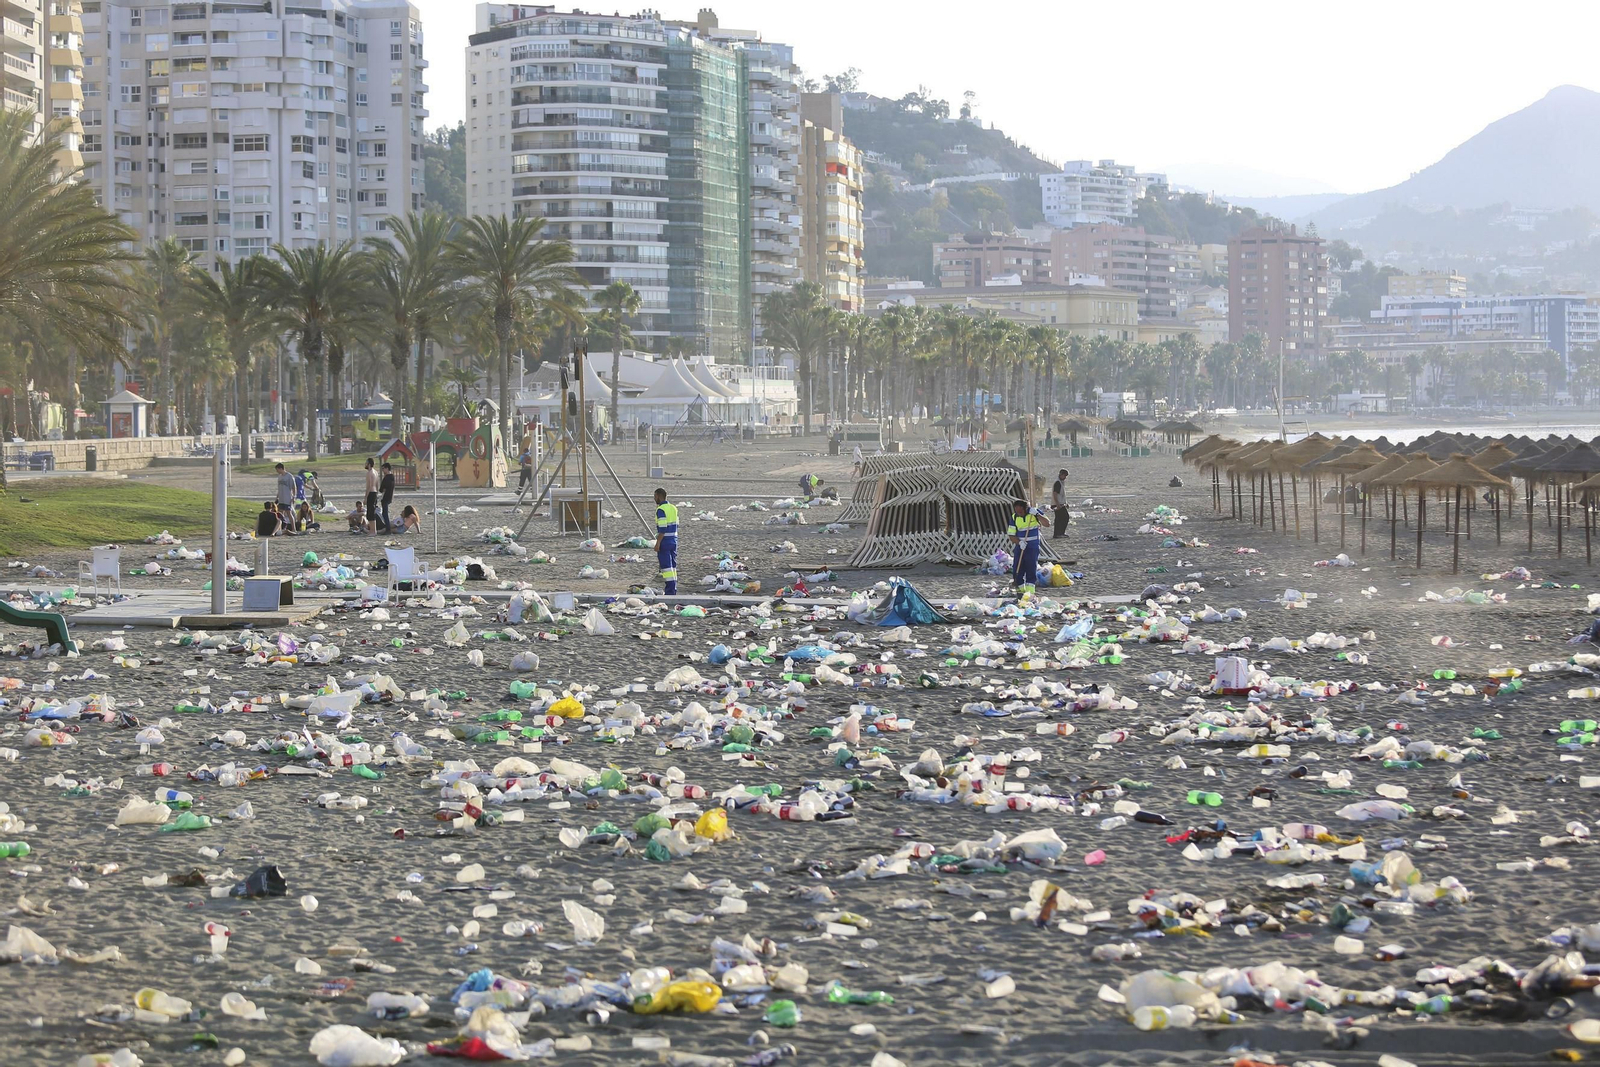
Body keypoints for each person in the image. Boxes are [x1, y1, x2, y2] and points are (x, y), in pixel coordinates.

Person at [1007, 498, 1043, 597]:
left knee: (1031, 568)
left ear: (1025, 509)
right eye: (1017, 511)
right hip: (1021, 546)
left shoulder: (1033, 514)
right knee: (1017, 569)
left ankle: (1030, 593)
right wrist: (1020, 542)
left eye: (1021, 511)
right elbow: (1011, 535)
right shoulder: (1014, 517)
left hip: (1032, 546)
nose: (1019, 513)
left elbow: (1047, 523)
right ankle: (1020, 591)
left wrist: (1037, 514)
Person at [653, 486, 678, 596]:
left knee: (666, 568)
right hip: (673, 540)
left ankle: (670, 592)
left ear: (658, 496)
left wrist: (658, 543)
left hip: (665, 541)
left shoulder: (661, 510)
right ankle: (673, 590)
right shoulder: (673, 508)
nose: (654, 499)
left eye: (655, 496)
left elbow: (662, 528)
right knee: (672, 566)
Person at [1051, 467, 1071, 540]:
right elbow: (1055, 494)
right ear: (1061, 474)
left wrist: (1066, 503)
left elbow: (1062, 495)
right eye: (1064, 476)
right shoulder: (1058, 483)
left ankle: (1058, 534)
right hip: (1058, 504)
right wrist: (1057, 504)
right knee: (1064, 517)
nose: (1065, 477)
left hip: (1060, 504)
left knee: (1060, 518)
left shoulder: (1060, 482)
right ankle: (1059, 533)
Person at [363, 457, 379, 534]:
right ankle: (373, 530)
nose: (365, 464)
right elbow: (377, 484)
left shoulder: (369, 473)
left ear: (369, 464)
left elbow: (369, 486)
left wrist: (365, 497)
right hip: (375, 493)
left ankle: (373, 531)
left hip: (371, 493)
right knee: (372, 512)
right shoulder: (376, 472)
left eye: (366, 463)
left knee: (370, 513)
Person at [379, 462, 395, 533]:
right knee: (385, 513)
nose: (382, 470)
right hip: (390, 497)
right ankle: (387, 527)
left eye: (383, 468)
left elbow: (382, 488)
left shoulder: (387, 478)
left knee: (385, 513)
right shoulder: (392, 477)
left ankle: (388, 529)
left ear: (387, 468)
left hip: (385, 497)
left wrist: (382, 490)